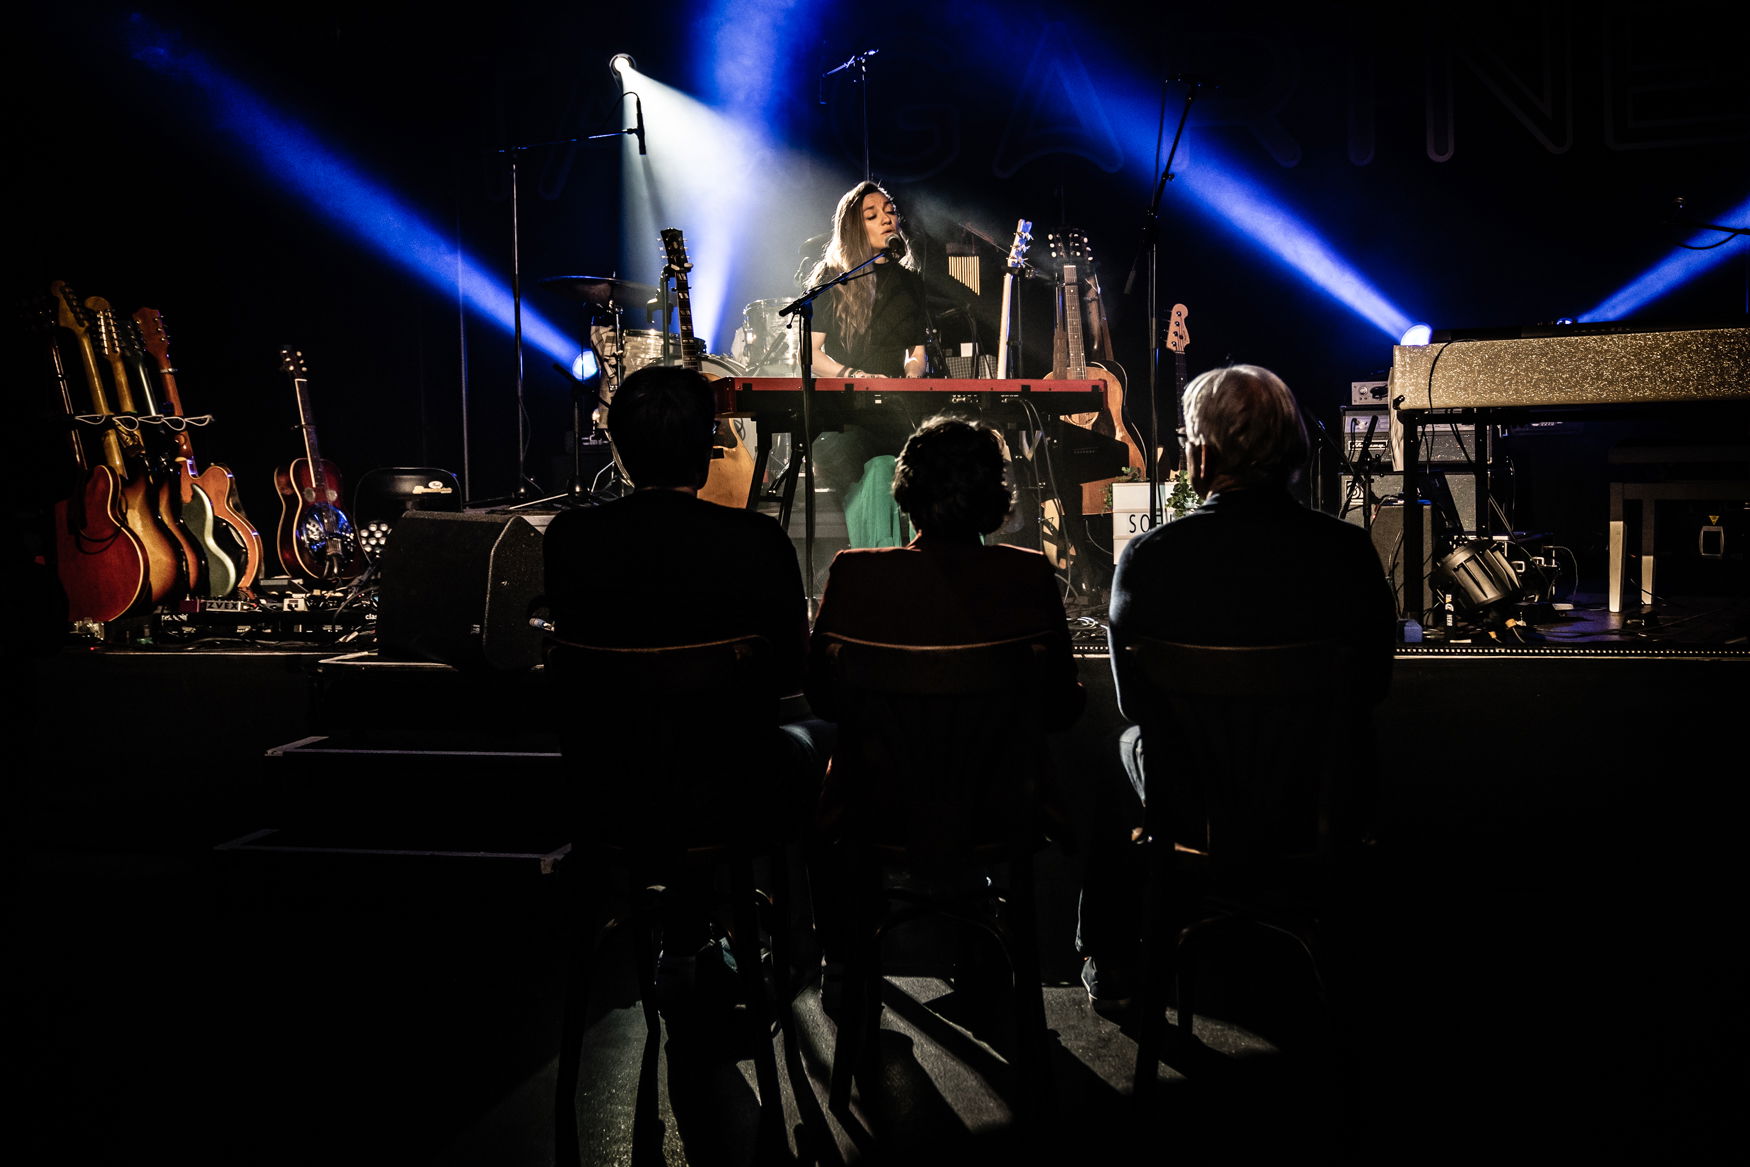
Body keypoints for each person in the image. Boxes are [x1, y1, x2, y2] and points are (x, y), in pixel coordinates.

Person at [1078, 364, 1396, 1004]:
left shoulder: (1150, 558)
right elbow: (1374, 686)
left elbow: (1131, 701)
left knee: (1109, 749)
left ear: (1199, 457)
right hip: (1315, 802)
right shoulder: (1346, 553)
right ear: (1296, 450)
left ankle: (1113, 962)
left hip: (1194, 805)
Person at [543, 365, 826, 999]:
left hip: (610, 790)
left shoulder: (569, 540)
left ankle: (684, 931)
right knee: (822, 732)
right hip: (734, 789)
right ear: (708, 449)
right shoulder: (756, 540)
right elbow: (790, 675)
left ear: (617, 449)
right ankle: (809, 947)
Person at [802, 180, 930, 546]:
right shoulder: (831, 279)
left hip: (896, 407)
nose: (887, 219)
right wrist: (854, 375)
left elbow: (916, 351)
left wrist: (911, 373)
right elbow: (811, 355)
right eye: (872, 215)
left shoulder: (909, 282)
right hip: (843, 414)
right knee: (864, 466)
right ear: (853, 227)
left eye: (890, 212)